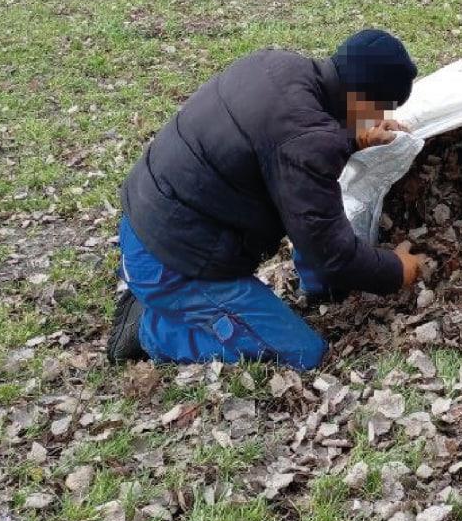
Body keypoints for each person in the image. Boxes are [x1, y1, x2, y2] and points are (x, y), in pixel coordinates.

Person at [107, 29, 426, 369]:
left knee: (310, 203)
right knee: (302, 354)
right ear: (362, 101)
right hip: (174, 264)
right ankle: (148, 329)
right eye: (381, 110)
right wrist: (395, 271)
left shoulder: (281, 66)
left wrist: (352, 137)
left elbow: (293, 152)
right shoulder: (307, 141)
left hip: (153, 221)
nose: (380, 121)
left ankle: (321, 288)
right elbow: (331, 250)